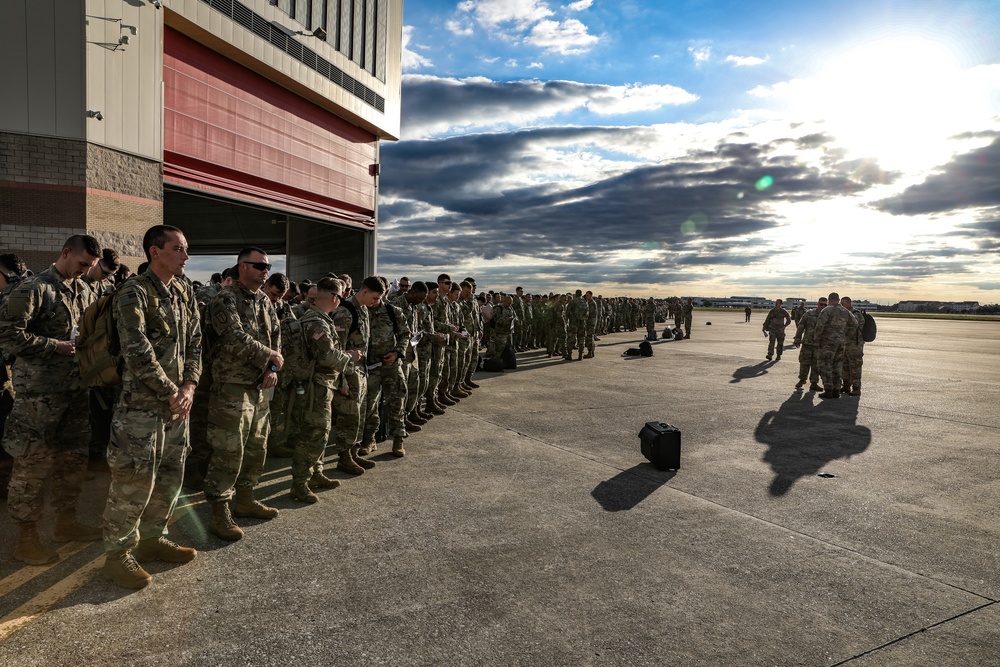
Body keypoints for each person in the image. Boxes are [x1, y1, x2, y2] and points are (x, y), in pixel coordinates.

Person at [101, 225, 202, 589]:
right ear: (154, 252)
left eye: (185, 249)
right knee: (133, 482)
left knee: (171, 476)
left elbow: (196, 344)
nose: (185, 257)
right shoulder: (133, 293)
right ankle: (117, 555)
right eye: (178, 248)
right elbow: (137, 351)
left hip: (178, 406)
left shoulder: (184, 292)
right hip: (141, 410)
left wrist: (189, 386)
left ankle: (153, 538)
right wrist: (171, 392)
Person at [0, 235, 102, 565]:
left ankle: (66, 521)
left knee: (72, 460)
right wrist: (53, 346)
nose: (85, 271)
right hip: (39, 395)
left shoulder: (84, 290)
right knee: (31, 465)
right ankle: (26, 539)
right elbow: (7, 333)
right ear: (65, 253)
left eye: (91, 267)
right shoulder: (34, 288)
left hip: (75, 391)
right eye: (82, 264)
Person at [203, 247, 283, 541]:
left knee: (257, 445)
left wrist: (273, 366)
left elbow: (276, 335)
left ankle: (246, 499)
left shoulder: (264, 301)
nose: (265, 270)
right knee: (228, 449)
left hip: (260, 385)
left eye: (267, 266)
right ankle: (219, 511)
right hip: (231, 386)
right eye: (260, 266)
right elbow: (235, 338)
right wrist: (270, 356)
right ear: (242, 267)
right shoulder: (225, 298)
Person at [288, 278, 359, 503]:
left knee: (321, 433)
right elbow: (327, 356)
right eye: (340, 296)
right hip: (315, 387)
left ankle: (316, 474)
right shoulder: (315, 321)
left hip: (324, 384)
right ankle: (299, 484)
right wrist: (350, 358)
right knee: (313, 435)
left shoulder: (321, 319)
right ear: (334, 298)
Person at [332, 276, 384, 474]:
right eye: (374, 297)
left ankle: (353, 453)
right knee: (348, 417)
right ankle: (343, 457)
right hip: (348, 374)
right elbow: (338, 348)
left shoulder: (363, 311)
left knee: (359, 416)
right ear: (364, 292)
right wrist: (342, 379)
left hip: (361, 373)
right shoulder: (345, 313)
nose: (376, 302)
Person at [813, 292, 859, 399]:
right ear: (838, 300)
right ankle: (836, 390)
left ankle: (828, 389)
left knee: (826, 365)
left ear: (829, 300)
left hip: (827, 343)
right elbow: (855, 324)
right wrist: (845, 336)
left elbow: (819, 326)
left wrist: (816, 341)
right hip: (841, 343)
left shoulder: (827, 310)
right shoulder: (845, 311)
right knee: (838, 366)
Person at [792, 296, 827, 391]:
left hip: (819, 345)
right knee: (804, 362)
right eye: (821, 304)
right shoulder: (809, 314)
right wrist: (798, 339)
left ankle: (814, 383)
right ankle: (802, 379)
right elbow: (801, 326)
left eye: (825, 305)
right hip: (807, 343)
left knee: (816, 365)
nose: (823, 306)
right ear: (817, 304)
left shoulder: (828, 316)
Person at [841, 296, 865, 396]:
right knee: (845, 366)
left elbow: (852, 328)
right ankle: (846, 386)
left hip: (854, 346)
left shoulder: (856, 314)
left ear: (849, 304)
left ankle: (856, 388)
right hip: (845, 345)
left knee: (855, 367)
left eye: (843, 304)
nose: (842, 306)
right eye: (841, 304)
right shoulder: (844, 314)